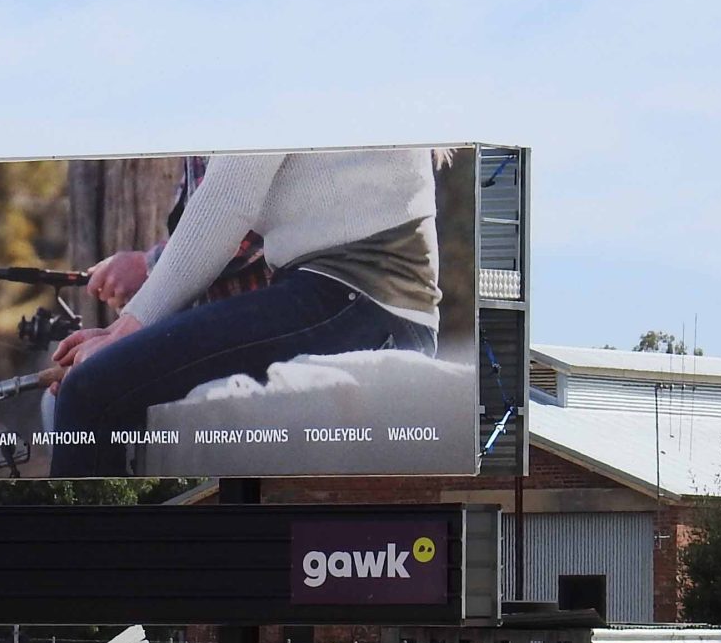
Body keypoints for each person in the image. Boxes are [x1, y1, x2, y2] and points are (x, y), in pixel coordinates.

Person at [44, 149, 443, 473]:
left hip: (354, 297)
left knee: (89, 390)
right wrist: (128, 336)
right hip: (360, 303)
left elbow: (225, 206)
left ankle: (82, 568)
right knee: (101, 382)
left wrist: (122, 336)